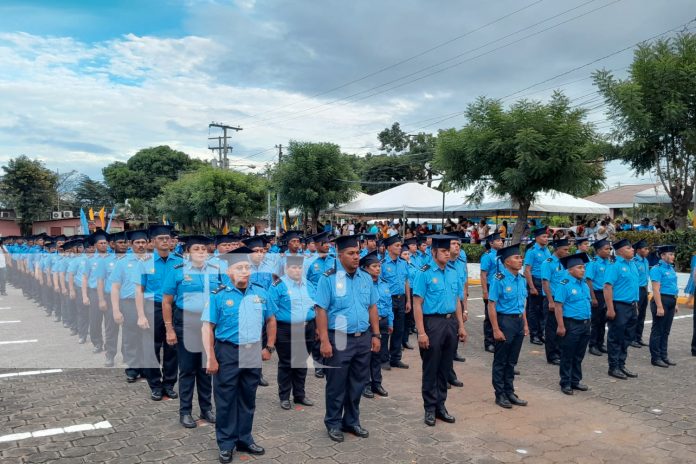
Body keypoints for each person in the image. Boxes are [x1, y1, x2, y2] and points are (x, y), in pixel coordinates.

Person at [202, 246, 277, 463]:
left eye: (247, 267)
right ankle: (226, 443)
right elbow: (208, 327)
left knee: (247, 397)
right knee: (225, 400)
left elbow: (271, 320)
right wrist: (211, 357)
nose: (244, 271)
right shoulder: (218, 296)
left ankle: (245, 438)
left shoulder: (261, 292)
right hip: (227, 351)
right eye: (239, 268)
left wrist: (269, 346)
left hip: (252, 350)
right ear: (228, 272)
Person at [314, 235, 380, 443]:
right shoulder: (328, 278)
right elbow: (321, 310)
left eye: (358, 253)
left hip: (363, 338)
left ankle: (351, 421)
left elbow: (372, 307)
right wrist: (324, 340)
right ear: (339, 255)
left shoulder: (365, 278)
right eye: (351, 253)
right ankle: (333, 422)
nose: (356, 257)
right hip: (339, 339)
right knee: (336, 384)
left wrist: (376, 334)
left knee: (357, 384)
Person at [162, 235, 218, 429]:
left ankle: (206, 409)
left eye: (203, 248)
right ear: (187, 253)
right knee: (187, 369)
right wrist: (169, 329)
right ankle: (185, 412)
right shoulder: (177, 272)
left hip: (209, 324)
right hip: (186, 322)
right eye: (196, 249)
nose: (201, 252)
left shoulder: (215, 271)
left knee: (206, 368)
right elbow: (167, 302)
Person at [412, 235, 467, 426]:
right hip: (432, 323)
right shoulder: (424, 272)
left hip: (450, 322)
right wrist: (421, 332)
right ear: (434, 252)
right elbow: (417, 303)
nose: (447, 254)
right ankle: (429, 408)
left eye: (448, 251)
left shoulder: (453, 271)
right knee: (431, 367)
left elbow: (457, 301)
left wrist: (461, 326)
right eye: (443, 251)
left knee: (445, 367)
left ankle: (441, 406)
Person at [136, 224, 182, 401]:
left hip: (174, 308)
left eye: (167, 238)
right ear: (153, 242)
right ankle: (155, 385)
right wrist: (140, 315)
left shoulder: (180, 261)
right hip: (152, 308)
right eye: (161, 239)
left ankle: (169, 384)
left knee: (172, 348)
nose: (165, 241)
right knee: (151, 348)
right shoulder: (144, 262)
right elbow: (139, 290)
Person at [268, 255, 317, 410]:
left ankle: (299, 395)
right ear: (286, 269)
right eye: (294, 267)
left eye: (300, 268)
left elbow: (315, 306)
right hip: (286, 330)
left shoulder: (309, 285)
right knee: (287, 364)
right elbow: (271, 313)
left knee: (302, 362)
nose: (297, 270)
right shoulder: (278, 285)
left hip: (307, 328)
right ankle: (284, 396)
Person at [488, 243, 529, 409]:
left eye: (520, 257)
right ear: (506, 262)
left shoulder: (522, 279)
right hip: (505, 321)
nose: (520, 260)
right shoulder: (499, 279)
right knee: (501, 361)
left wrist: (525, 324)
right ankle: (500, 394)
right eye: (516, 257)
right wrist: (496, 329)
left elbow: (523, 304)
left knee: (512, 361)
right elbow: (491, 305)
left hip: (518, 321)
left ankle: (510, 391)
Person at [109, 229, 149, 383]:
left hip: (149, 303)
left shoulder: (152, 261)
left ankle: (147, 369)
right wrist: (116, 310)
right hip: (129, 304)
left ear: (147, 243)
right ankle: (132, 369)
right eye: (137, 242)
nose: (140, 245)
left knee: (147, 337)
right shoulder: (123, 263)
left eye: (143, 242)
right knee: (130, 337)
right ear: (131, 244)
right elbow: (115, 288)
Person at [554, 253, 592, 395]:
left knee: (579, 354)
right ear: (570, 270)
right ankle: (565, 382)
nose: (583, 270)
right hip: (571, 324)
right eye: (580, 267)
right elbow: (558, 306)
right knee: (568, 354)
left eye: (584, 267)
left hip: (585, 324)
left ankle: (575, 380)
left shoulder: (584, 283)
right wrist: (561, 326)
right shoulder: (565, 284)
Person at [603, 239, 639, 380]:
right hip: (619, 306)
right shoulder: (614, 266)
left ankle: (621, 364)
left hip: (631, 305)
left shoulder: (632, 264)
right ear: (621, 251)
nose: (632, 250)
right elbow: (607, 287)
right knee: (615, 338)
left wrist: (636, 304)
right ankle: (613, 367)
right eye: (629, 248)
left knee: (628, 337)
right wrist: (610, 309)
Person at [360, 250, 393, 399]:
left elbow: (389, 305)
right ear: (366, 269)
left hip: (383, 323)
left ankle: (377, 383)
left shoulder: (385, 284)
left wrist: (390, 322)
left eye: (379, 266)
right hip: (368, 325)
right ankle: (366, 384)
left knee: (377, 355)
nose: (378, 269)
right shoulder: (362, 285)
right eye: (374, 266)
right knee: (367, 355)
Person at [380, 235, 410, 369]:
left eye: (400, 246)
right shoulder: (382, 264)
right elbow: (379, 285)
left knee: (399, 329)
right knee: (386, 330)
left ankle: (395, 358)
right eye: (397, 246)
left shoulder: (403, 263)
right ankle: (384, 359)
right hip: (388, 300)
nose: (399, 248)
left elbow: (406, 282)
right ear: (388, 248)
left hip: (401, 299)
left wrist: (408, 300)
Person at [541, 238, 571, 365]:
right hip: (552, 298)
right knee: (552, 328)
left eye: (568, 249)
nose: (567, 252)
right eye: (565, 250)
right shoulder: (548, 263)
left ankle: (560, 351)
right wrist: (550, 301)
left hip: (563, 299)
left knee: (562, 326)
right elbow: (545, 282)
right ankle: (552, 355)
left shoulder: (565, 262)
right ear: (557, 249)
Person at [648, 245, 679, 368]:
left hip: (671, 300)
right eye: (670, 254)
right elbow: (656, 290)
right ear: (662, 256)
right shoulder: (657, 269)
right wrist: (660, 307)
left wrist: (675, 303)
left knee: (666, 331)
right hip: (662, 300)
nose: (673, 256)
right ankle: (655, 358)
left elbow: (674, 287)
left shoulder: (671, 268)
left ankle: (664, 355)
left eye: (673, 254)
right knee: (658, 331)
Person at [523, 227, 551, 345]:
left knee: (542, 310)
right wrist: (532, 287)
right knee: (534, 310)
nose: (546, 239)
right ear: (537, 238)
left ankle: (541, 333)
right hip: (535, 281)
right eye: (543, 237)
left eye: (547, 236)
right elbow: (527, 270)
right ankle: (534, 335)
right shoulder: (532, 251)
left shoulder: (547, 250)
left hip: (544, 282)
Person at [585, 239, 612, 357]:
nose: (609, 251)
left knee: (603, 321)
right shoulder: (593, 263)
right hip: (597, 294)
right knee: (595, 322)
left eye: (609, 249)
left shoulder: (609, 262)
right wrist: (593, 297)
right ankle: (593, 345)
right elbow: (588, 280)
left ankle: (600, 343)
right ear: (598, 251)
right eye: (606, 249)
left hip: (606, 294)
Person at [481, 233, 504, 353]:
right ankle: (489, 342)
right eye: (498, 240)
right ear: (491, 243)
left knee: (500, 314)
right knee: (490, 315)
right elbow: (483, 274)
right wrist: (485, 291)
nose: (501, 242)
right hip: (491, 287)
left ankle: (498, 339)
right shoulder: (487, 256)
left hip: (502, 287)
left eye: (501, 240)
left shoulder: (503, 255)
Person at [631, 240, 650, 348]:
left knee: (642, 315)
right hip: (636, 289)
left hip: (644, 290)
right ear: (638, 250)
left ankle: (639, 337)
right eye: (645, 249)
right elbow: (633, 280)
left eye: (648, 248)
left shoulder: (646, 261)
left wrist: (647, 290)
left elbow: (646, 278)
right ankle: (632, 338)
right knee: (635, 315)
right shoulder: (634, 262)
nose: (647, 251)